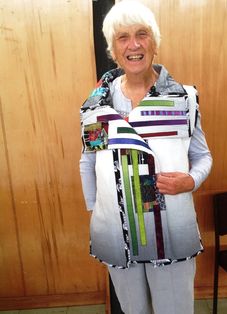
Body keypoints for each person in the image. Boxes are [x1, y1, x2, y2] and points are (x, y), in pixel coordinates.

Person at [79, 1, 212, 313]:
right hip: (117, 229)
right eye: (123, 37)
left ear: (155, 42)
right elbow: (88, 160)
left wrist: (191, 180)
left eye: (142, 34)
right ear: (113, 48)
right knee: (133, 309)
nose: (134, 45)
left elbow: (203, 156)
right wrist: (98, 211)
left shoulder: (182, 99)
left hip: (169, 226)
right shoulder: (96, 105)